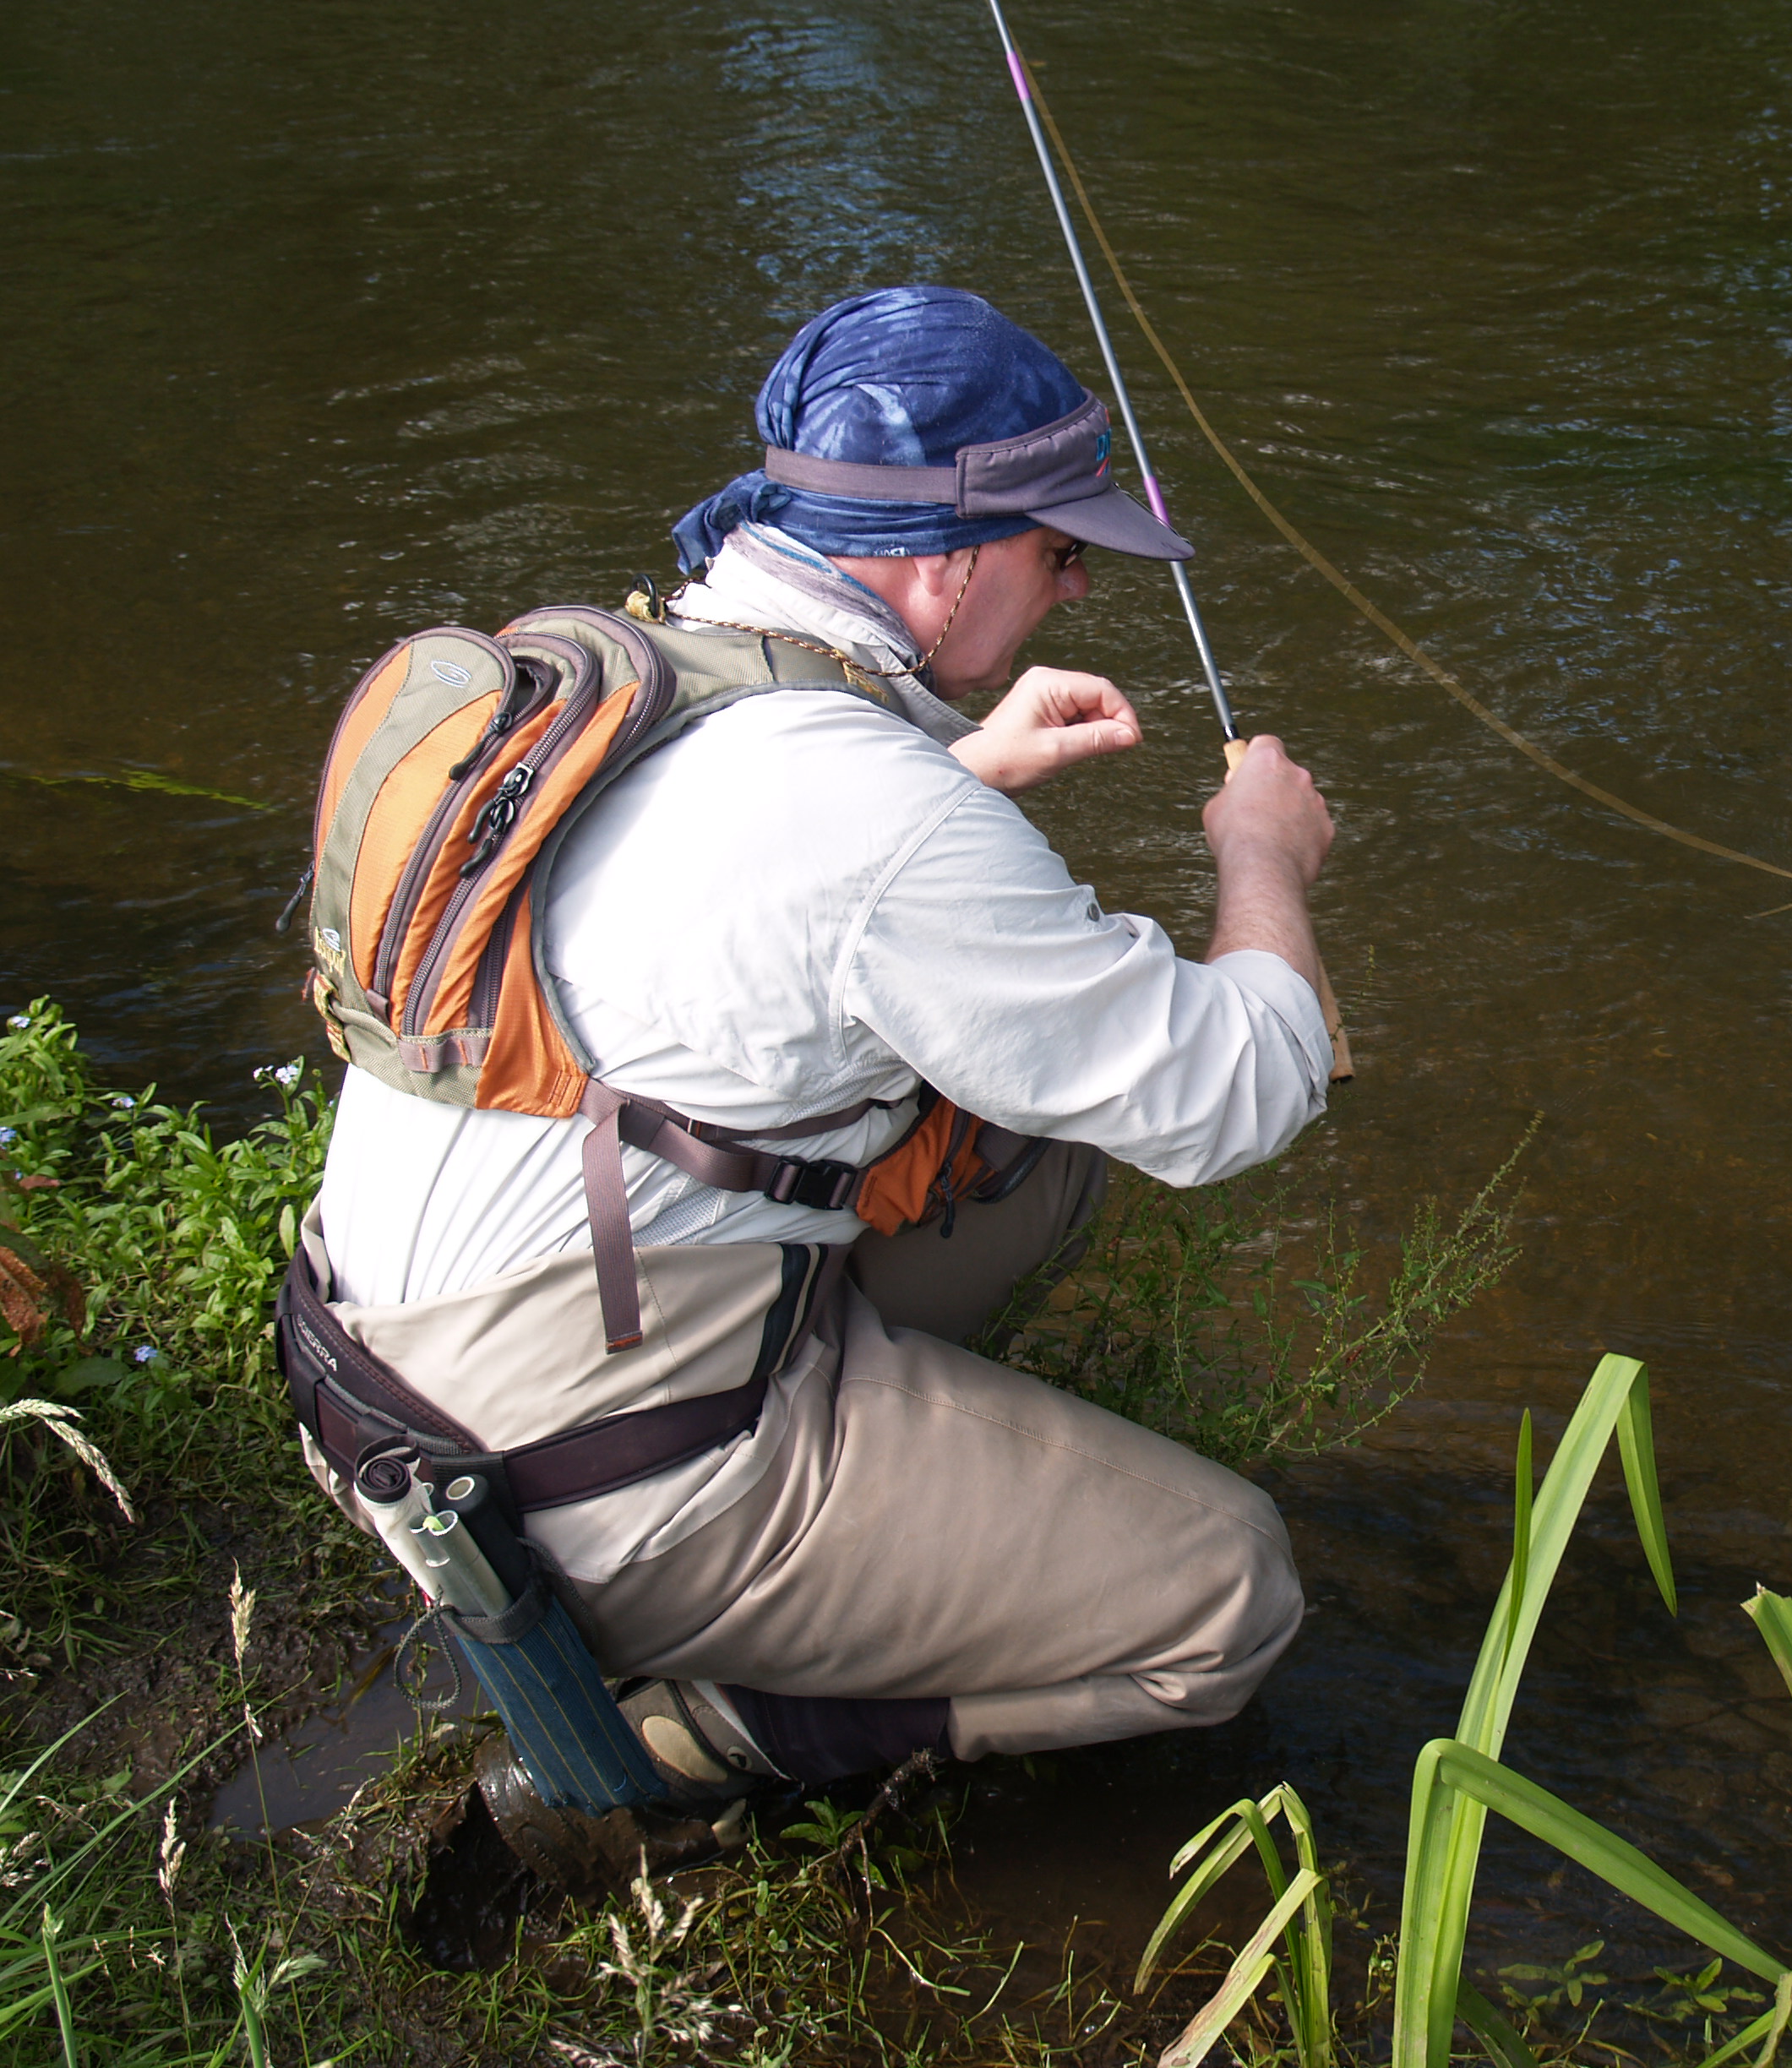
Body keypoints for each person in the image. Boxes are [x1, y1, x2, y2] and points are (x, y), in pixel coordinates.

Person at [302, 284, 1336, 1823]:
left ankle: (860, 1506)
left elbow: (741, 890)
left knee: (1028, 1162)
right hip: (573, 1471)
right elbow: (1242, 1090)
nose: (1071, 591)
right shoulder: (882, 819)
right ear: (951, 559)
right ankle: (660, 1750)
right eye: (1060, 553)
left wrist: (962, 767)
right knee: (1230, 1595)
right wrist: (1266, 860)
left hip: (380, 1381)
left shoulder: (643, 659)